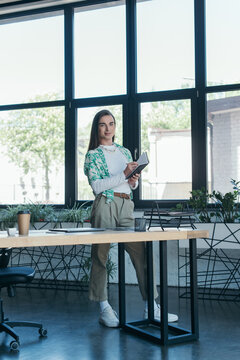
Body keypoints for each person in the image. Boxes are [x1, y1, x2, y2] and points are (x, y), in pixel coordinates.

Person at [84, 109, 178, 327]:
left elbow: (130, 185)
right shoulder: (93, 155)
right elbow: (97, 186)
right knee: (100, 257)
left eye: (111, 123)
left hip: (126, 205)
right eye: (102, 124)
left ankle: (151, 307)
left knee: (142, 253)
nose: (108, 129)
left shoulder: (125, 152)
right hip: (105, 204)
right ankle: (104, 308)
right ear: (96, 128)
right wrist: (124, 174)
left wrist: (133, 179)